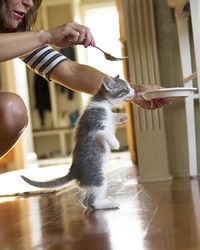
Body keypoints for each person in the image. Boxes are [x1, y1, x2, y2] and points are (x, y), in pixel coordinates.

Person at [0, 0, 168, 159]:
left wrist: (134, 92)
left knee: (12, 110)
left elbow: (71, 71)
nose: (29, 3)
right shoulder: (35, 37)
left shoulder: (19, 36)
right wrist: (45, 36)